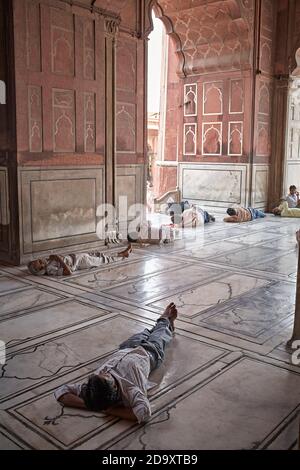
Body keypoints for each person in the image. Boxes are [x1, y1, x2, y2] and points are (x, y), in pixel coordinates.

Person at [54, 303, 178, 423]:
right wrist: (109, 410)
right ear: (113, 386)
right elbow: (144, 413)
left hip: (127, 347)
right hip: (150, 352)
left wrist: (91, 405)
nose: (103, 371)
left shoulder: (93, 389)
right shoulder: (130, 390)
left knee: (146, 332)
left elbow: (61, 392)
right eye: (106, 375)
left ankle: (163, 324)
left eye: (99, 373)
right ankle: (166, 320)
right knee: (161, 333)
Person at [27, 245, 132, 276]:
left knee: (100, 255)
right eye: (40, 263)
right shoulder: (50, 269)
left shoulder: (48, 263)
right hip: (80, 263)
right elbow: (68, 272)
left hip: (77, 257)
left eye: (39, 260)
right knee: (103, 260)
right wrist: (58, 258)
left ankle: (122, 254)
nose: (41, 261)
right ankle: (123, 255)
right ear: (41, 269)